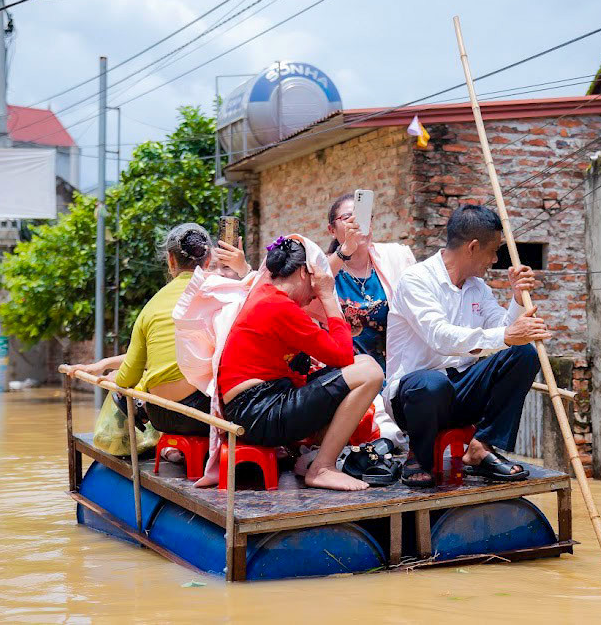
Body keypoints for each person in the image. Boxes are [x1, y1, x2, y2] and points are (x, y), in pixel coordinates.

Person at [385, 204, 550, 488]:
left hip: (462, 390)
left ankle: (481, 447)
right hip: (415, 398)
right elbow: (440, 337)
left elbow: (502, 332)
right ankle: (418, 456)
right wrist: (508, 335)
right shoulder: (417, 280)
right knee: (431, 383)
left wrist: (517, 298)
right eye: (493, 251)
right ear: (473, 247)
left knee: (523, 354)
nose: (495, 259)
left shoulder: (478, 287)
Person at [219, 236, 384, 491]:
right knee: (370, 371)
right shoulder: (279, 306)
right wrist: (328, 297)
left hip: (255, 407)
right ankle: (322, 468)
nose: (315, 293)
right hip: (259, 411)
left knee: (362, 364)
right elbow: (342, 355)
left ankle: (317, 459)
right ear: (304, 272)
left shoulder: (267, 296)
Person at [75, 223, 250, 437]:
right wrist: (245, 269)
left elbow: (128, 376)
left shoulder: (151, 306)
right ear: (207, 260)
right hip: (202, 413)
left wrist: (107, 369)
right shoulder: (222, 293)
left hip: (159, 414)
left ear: (170, 260)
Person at [325, 193, 417, 446]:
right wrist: (346, 251)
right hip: (350, 372)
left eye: (363, 216)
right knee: (383, 435)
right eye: (347, 217)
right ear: (332, 229)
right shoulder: (326, 268)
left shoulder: (395, 259)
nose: (357, 222)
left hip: (396, 368)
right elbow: (316, 284)